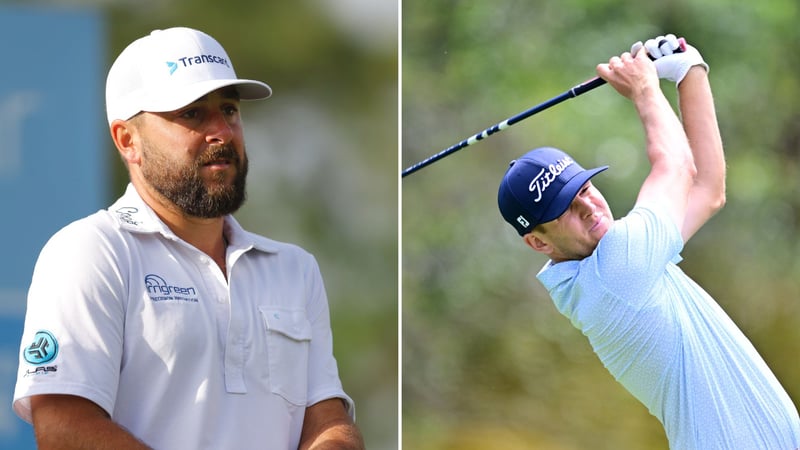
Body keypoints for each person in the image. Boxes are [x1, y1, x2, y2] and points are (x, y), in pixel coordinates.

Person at [13, 27, 364, 450]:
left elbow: (327, 418)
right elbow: (65, 426)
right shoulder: (91, 252)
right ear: (129, 141)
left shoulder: (295, 269)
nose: (222, 132)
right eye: (193, 114)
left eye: (229, 110)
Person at [497, 34, 800, 449]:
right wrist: (643, 89)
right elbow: (675, 165)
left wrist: (689, 70)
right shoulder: (615, 274)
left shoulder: (616, 264)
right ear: (538, 242)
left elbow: (708, 190)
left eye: (583, 187)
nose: (587, 206)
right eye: (564, 207)